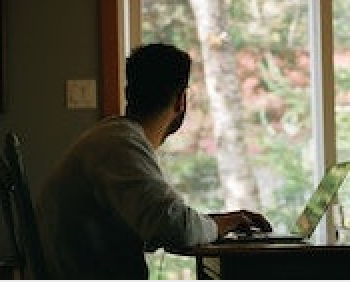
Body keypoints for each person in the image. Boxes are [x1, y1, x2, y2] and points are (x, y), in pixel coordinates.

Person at [36, 43, 272, 279]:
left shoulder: (112, 138)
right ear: (181, 101)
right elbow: (175, 228)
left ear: (129, 93)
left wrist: (219, 222)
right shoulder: (119, 144)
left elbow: (161, 218)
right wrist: (221, 225)